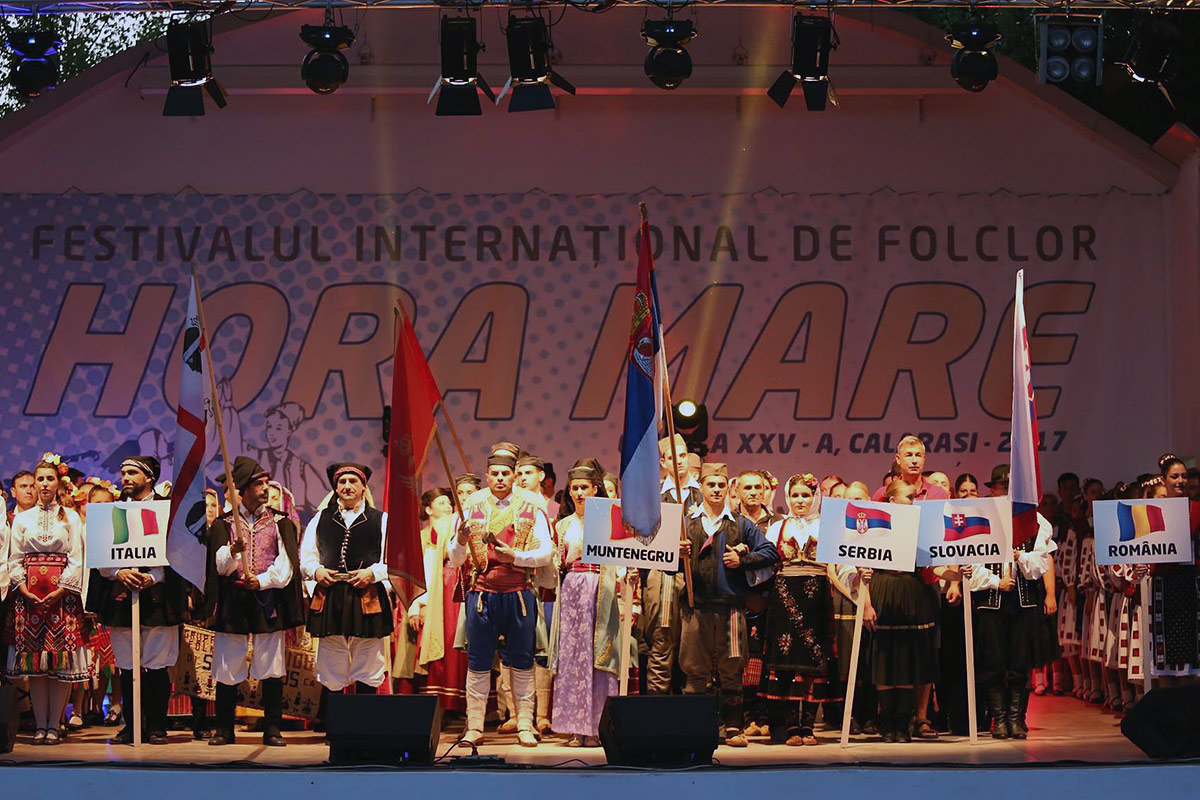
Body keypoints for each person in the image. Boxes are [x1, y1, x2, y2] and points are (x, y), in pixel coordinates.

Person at [448, 443, 554, 747]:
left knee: (522, 660)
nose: (499, 478)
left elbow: (546, 553)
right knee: (479, 660)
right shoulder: (470, 507)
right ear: (486, 475)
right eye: (494, 473)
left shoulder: (532, 506)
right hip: (482, 595)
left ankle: (525, 725)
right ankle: (474, 727)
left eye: (505, 474)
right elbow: (454, 559)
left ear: (514, 475)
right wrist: (460, 540)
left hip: (518, 595)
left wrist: (516, 557)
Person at [205, 456, 305, 747]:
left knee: (271, 665)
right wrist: (232, 552)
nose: (265, 488)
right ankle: (224, 729)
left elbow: (286, 565)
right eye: (259, 484)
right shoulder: (223, 524)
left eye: (266, 483)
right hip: (233, 601)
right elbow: (217, 567)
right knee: (227, 665)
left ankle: (272, 728)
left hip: (266, 599)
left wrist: (261, 581)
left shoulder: (280, 522)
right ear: (244, 489)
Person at [677, 463, 779, 747]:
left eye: (721, 485)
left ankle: (733, 728)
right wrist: (677, 553)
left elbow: (771, 552)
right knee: (694, 669)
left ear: (729, 489)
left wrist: (742, 560)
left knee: (732, 669)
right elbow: (664, 563)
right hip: (695, 606)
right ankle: (695, 730)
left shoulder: (740, 524)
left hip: (731, 608)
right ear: (701, 487)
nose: (716, 490)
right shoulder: (686, 523)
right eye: (711, 484)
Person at [86, 455, 184, 745]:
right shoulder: (113, 511)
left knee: (156, 665)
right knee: (127, 665)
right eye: (123, 472)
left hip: (158, 600)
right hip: (121, 600)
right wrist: (119, 572)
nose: (125, 478)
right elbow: (102, 556)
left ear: (149, 477)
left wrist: (153, 577)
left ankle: (156, 726)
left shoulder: (167, 511)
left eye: (132, 472)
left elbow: (178, 554)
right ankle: (131, 726)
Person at [859, 481, 953, 743]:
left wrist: (956, 575)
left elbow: (932, 566)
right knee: (884, 659)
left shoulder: (920, 530)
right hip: (884, 591)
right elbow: (863, 571)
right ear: (892, 501)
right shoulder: (874, 531)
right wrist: (866, 605)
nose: (915, 501)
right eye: (910, 497)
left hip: (912, 594)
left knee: (907, 659)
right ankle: (887, 723)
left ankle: (903, 724)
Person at [4, 460, 88, 746]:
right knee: (36, 666)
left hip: (61, 597)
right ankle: (40, 725)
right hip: (29, 598)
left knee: (59, 664)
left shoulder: (71, 517)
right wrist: (23, 589)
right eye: (39, 479)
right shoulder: (23, 519)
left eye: (49, 479)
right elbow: (14, 558)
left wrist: (62, 589)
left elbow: (76, 557)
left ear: (58, 483)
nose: (43, 484)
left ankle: (55, 724)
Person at [759, 473, 839, 746]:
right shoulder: (776, 528)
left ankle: (809, 726)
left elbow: (837, 565)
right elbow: (766, 565)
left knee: (815, 660)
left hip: (817, 598)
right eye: (795, 495)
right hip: (784, 598)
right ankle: (792, 725)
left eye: (806, 495)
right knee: (787, 661)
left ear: (815, 497)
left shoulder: (827, 527)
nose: (800, 500)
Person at [301, 463, 394, 696]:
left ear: (363, 487)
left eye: (353, 481)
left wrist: (372, 573)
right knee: (331, 661)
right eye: (342, 482)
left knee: (368, 659)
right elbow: (307, 558)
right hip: (331, 595)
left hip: (367, 597)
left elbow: (393, 562)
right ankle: (335, 716)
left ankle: (363, 716)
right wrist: (316, 571)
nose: (347, 486)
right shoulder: (321, 518)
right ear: (335, 488)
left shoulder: (381, 519)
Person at [548, 464, 624, 747]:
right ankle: (575, 727)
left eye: (584, 487)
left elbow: (622, 556)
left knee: (599, 655)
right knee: (574, 656)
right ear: (569, 492)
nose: (580, 493)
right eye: (575, 488)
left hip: (601, 587)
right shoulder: (563, 525)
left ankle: (597, 728)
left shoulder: (608, 520)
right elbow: (556, 565)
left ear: (595, 489)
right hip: (572, 590)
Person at [967, 511, 1058, 739]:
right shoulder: (983, 515)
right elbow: (972, 562)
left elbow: (1041, 562)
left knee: (1020, 661)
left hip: (1023, 601)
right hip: (991, 600)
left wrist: (1020, 557)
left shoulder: (1035, 520)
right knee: (993, 661)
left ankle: (1016, 718)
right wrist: (995, 582)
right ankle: (999, 719)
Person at [409, 487, 467, 713]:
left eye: (449, 503)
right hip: (442, 590)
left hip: (462, 585)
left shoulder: (457, 524)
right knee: (444, 642)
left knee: (463, 642)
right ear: (428, 509)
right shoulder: (429, 535)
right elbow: (426, 569)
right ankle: (443, 703)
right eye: (441, 503)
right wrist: (419, 604)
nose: (448, 507)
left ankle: (465, 703)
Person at [1148, 454, 1200, 683]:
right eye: (1175, 476)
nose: (1181, 481)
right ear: (1163, 480)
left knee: (1190, 652)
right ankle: (1168, 703)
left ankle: (1188, 703)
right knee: (1164, 651)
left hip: (1190, 585)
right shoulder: (1152, 510)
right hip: (1163, 585)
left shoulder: (1196, 509)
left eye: (1184, 476)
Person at [514, 454, 555, 735]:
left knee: (543, 650)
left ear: (541, 476)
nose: (522, 479)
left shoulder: (554, 509)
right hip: (517, 584)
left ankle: (542, 715)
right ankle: (513, 713)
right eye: (519, 474)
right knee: (512, 648)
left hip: (545, 587)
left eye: (527, 473)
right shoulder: (512, 507)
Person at [871, 437, 949, 502]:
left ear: (924, 459)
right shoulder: (883, 493)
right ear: (898, 459)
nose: (914, 461)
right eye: (909, 455)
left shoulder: (939, 494)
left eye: (918, 455)